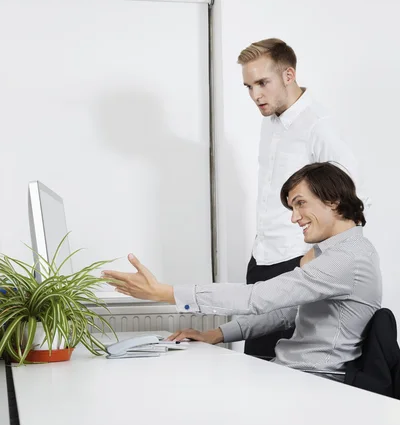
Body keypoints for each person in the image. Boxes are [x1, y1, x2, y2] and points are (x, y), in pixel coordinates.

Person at [102, 163, 381, 382]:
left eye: (299, 203)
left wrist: (167, 293)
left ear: (332, 200)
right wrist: (218, 334)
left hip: (313, 381)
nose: (294, 217)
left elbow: (257, 297)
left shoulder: (348, 257)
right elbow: (286, 313)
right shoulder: (333, 253)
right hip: (293, 373)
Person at [236, 38, 370, 359]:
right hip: (262, 262)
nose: (255, 95)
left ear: (288, 75)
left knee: (288, 373)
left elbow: (351, 197)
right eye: (248, 86)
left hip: (297, 263)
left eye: (262, 83)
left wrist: (318, 252)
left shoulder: (318, 126)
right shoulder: (269, 124)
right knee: (254, 365)